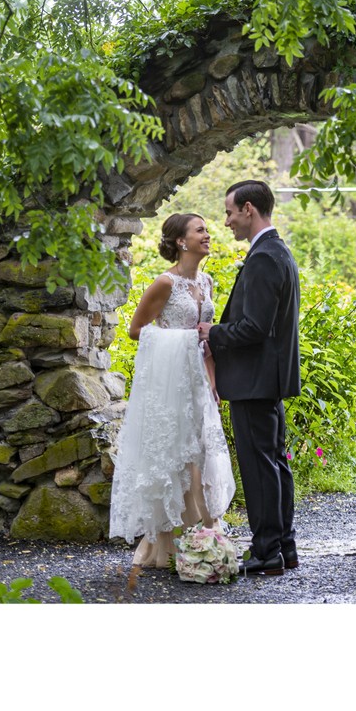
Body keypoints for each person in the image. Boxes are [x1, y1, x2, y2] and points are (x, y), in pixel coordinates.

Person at [108, 213, 235, 571]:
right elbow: (136, 330)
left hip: (198, 384)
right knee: (175, 455)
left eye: (207, 230)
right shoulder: (165, 283)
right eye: (200, 230)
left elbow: (206, 339)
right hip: (169, 387)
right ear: (181, 241)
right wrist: (184, 339)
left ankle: (203, 539)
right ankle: (167, 546)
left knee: (200, 453)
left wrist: (213, 382)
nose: (208, 235)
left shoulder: (207, 282)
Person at [198, 180, 301, 577]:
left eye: (229, 212)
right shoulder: (277, 252)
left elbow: (254, 327)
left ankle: (266, 552)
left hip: (254, 379)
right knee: (274, 463)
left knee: (261, 468)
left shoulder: (262, 258)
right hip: (267, 379)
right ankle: (283, 547)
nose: (226, 222)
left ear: (249, 209)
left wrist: (213, 333)